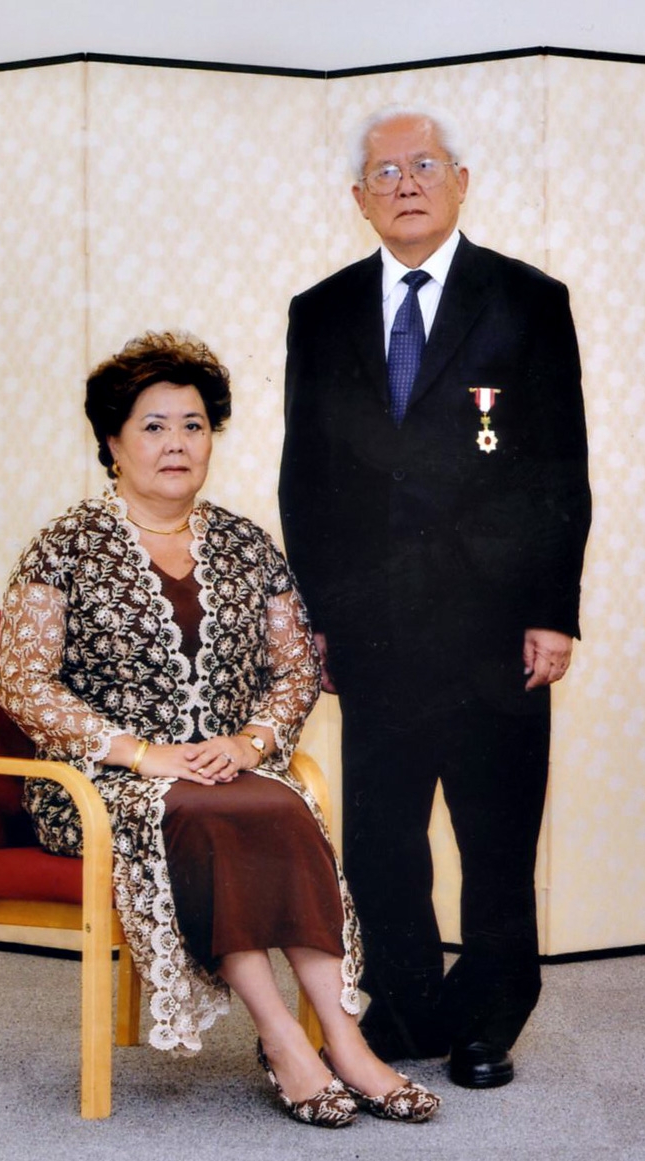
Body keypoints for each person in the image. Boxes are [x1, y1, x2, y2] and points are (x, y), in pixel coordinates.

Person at [0, 331, 441, 1126]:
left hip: (229, 771)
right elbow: (22, 681)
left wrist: (250, 744)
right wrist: (144, 752)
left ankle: (346, 1042)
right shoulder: (60, 547)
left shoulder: (247, 545)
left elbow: (296, 668)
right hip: (104, 785)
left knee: (280, 802)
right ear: (113, 441)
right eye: (155, 425)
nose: (177, 443)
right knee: (211, 815)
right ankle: (282, 1040)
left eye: (194, 425)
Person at [279, 105, 591, 1089]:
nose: (404, 182)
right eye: (384, 171)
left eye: (423, 166)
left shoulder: (526, 301)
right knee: (381, 836)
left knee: (495, 833)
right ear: (358, 198)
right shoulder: (319, 312)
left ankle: (490, 1020)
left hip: (498, 627)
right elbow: (306, 478)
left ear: (460, 183)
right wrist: (319, 618)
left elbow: (558, 469)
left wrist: (553, 607)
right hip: (372, 629)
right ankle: (406, 1006)